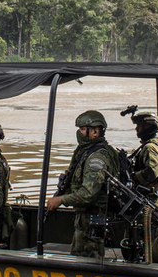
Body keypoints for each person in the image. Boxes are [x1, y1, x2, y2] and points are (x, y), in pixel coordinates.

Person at [46, 110, 119, 258]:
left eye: (82, 129)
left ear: (95, 131)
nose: (79, 133)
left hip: (92, 218)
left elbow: (88, 194)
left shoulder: (96, 158)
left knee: (86, 259)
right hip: (86, 218)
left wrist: (61, 200)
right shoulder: (87, 151)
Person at [129, 111, 158, 206]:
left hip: (149, 199)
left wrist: (133, 177)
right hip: (152, 197)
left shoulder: (150, 147)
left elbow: (152, 171)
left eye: (139, 125)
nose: (136, 128)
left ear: (147, 127)